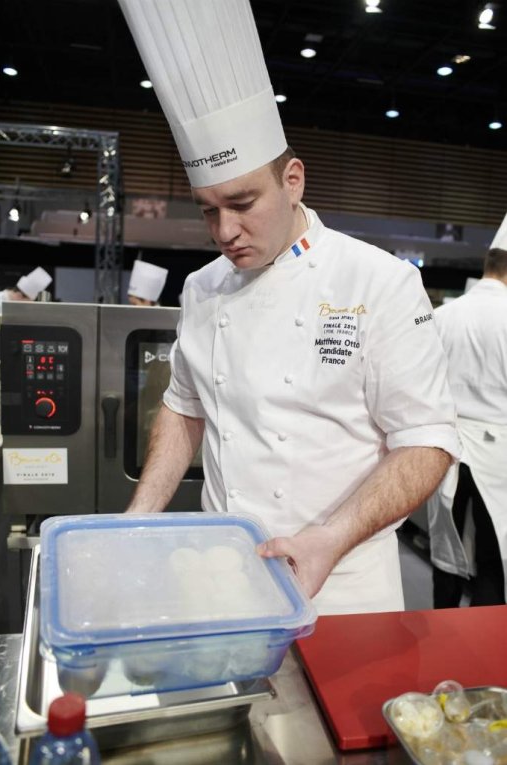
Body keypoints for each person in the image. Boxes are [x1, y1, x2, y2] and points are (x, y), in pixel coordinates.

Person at [121, 0, 460, 615]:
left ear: (294, 180)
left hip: (343, 587)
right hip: (223, 577)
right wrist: (139, 516)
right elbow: (184, 408)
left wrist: (329, 538)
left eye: (243, 202)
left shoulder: (377, 281)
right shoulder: (202, 287)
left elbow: (426, 442)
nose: (224, 230)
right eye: (207, 208)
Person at [428, 221, 507, 608]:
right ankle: (483, 644)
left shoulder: (445, 316)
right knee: (493, 555)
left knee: (447, 546)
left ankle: (440, 630)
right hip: (499, 456)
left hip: (449, 449)